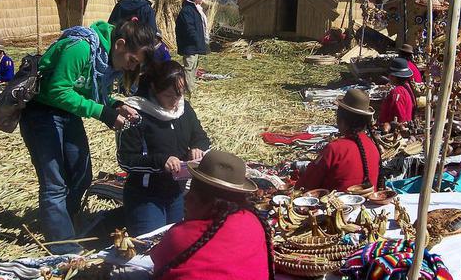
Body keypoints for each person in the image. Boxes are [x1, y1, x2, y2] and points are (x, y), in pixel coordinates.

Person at [19, 19, 155, 255]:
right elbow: (57, 91)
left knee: (82, 175)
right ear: (120, 44)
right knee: (54, 184)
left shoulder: (102, 59)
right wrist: (104, 113)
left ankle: (63, 222)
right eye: (132, 61)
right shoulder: (81, 47)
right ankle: (63, 247)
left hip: (67, 113)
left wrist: (116, 105)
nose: (131, 68)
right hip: (41, 113)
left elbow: (88, 91)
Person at [117, 60, 210, 236]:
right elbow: (126, 160)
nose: (175, 101)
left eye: (180, 94)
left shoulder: (184, 108)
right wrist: (161, 161)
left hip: (176, 191)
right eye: (169, 96)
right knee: (151, 245)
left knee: (176, 242)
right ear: (154, 88)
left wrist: (198, 147)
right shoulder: (135, 114)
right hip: (146, 195)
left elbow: (200, 136)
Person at [150, 150, 274, 280]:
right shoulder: (255, 222)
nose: (185, 199)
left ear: (208, 202)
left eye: (191, 195)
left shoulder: (180, 236)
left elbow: (157, 261)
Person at [296, 89, 381, 192]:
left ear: (342, 120)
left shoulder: (335, 149)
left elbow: (307, 184)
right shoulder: (373, 147)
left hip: (337, 205)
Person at [175, 0, 209, 91]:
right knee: (189, 68)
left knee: (193, 68)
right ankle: (188, 91)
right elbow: (189, 28)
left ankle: (191, 87)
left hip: (194, 45)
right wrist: (197, 40)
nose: (202, 0)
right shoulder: (187, 11)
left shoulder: (194, 10)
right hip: (189, 45)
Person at [378, 57, 417, 132]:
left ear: (394, 77)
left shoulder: (397, 92)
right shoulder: (406, 87)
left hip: (395, 133)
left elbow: (399, 118)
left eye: (390, 75)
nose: (388, 77)